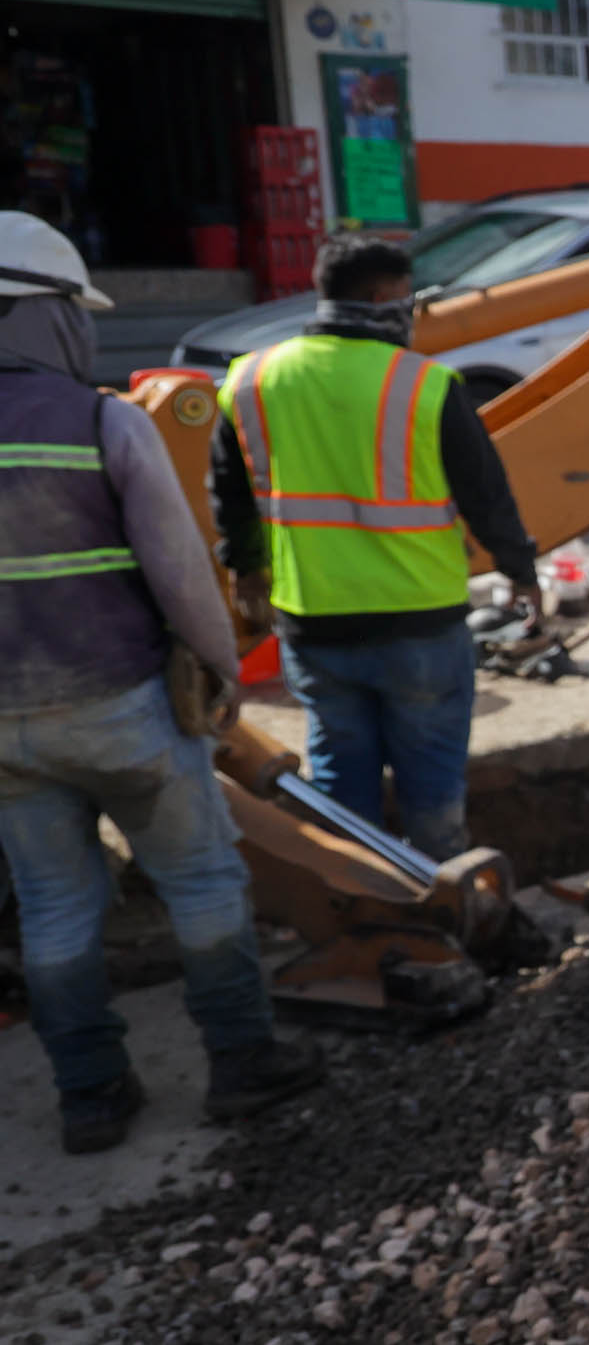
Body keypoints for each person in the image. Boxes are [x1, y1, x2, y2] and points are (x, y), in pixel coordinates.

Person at [0, 213, 323, 1153]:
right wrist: (220, 669)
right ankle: (242, 1063)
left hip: (4, 729)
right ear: (46, 316)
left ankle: (93, 1096)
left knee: (57, 905)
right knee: (200, 878)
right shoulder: (102, 420)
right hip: (117, 708)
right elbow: (181, 570)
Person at [214, 235, 539, 862]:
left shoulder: (253, 379)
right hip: (420, 622)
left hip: (314, 622)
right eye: (406, 297)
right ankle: (445, 905)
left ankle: (362, 909)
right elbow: (486, 495)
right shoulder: (427, 385)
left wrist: (245, 569)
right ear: (384, 296)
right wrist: (521, 571)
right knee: (432, 786)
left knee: (340, 782)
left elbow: (229, 494)